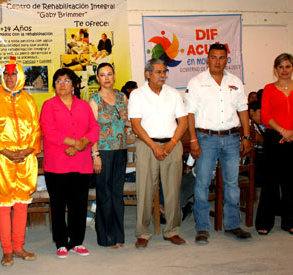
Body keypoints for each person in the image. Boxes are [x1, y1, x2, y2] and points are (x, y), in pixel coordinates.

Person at [185, 43, 253, 245]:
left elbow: (243, 110)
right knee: (202, 183)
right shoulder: (197, 82)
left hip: (232, 139)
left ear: (226, 59)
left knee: (232, 184)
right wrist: (193, 140)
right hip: (205, 139)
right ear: (207, 59)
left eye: (221, 57)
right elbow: (190, 114)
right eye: (213, 57)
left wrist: (247, 136)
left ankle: (232, 225)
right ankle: (202, 228)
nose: (217, 61)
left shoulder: (235, 82)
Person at [128, 58, 188, 249]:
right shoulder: (137, 95)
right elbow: (136, 125)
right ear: (148, 74)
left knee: (172, 190)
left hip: (172, 144)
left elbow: (183, 122)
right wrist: (154, 146)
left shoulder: (173, 94)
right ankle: (143, 233)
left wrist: (171, 143)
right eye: (158, 72)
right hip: (147, 146)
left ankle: (172, 230)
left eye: (164, 72)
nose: (163, 75)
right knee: (145, 189)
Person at [40, 68, 99, 258]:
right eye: (58, 81)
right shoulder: (49, 105)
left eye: (66, 81)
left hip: (81, 163)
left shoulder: (83, 106)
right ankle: (61, 243)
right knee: (58, 205)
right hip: (57, 164)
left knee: (78, 204)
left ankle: (76, 242)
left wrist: (82, 144)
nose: (62, 84)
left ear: (73, 85)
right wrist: (77, 143)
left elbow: (94, 129)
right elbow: (49, 132)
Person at [0, 57, 41, 266]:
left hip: (26, 159)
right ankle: (7, 250)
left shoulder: (28, 100)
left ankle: (19, 246)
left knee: (21, 204)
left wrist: (29, 150)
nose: (9, 78)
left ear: (20, 76)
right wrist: (6, 152)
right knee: (3, 205)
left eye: (13, 74)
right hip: (2, 159)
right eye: (6, 74)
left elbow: (36, 129)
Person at [255, 53, 293, 235]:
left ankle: (289, 221)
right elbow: (265, 116)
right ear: (275, 69)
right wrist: (283, 131)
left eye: (288, 66)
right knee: (271, 182)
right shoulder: (269, 89)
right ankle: (265, 221)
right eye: (281, 67)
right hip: (274, 138)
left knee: (289, 182)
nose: (284, 70)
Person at [88, 63, 128, 249]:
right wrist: (95, 154)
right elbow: (92, 129)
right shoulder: (94, 99)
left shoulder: (122, 97)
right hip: (102, 151)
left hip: (120, 149)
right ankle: (106, 237)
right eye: (102, 75)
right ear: (97, 78)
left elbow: (126, 123)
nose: (106, 78)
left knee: (117, 194)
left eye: (109, 74)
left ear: (114, 76)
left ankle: (118, 235)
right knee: (104, 194)